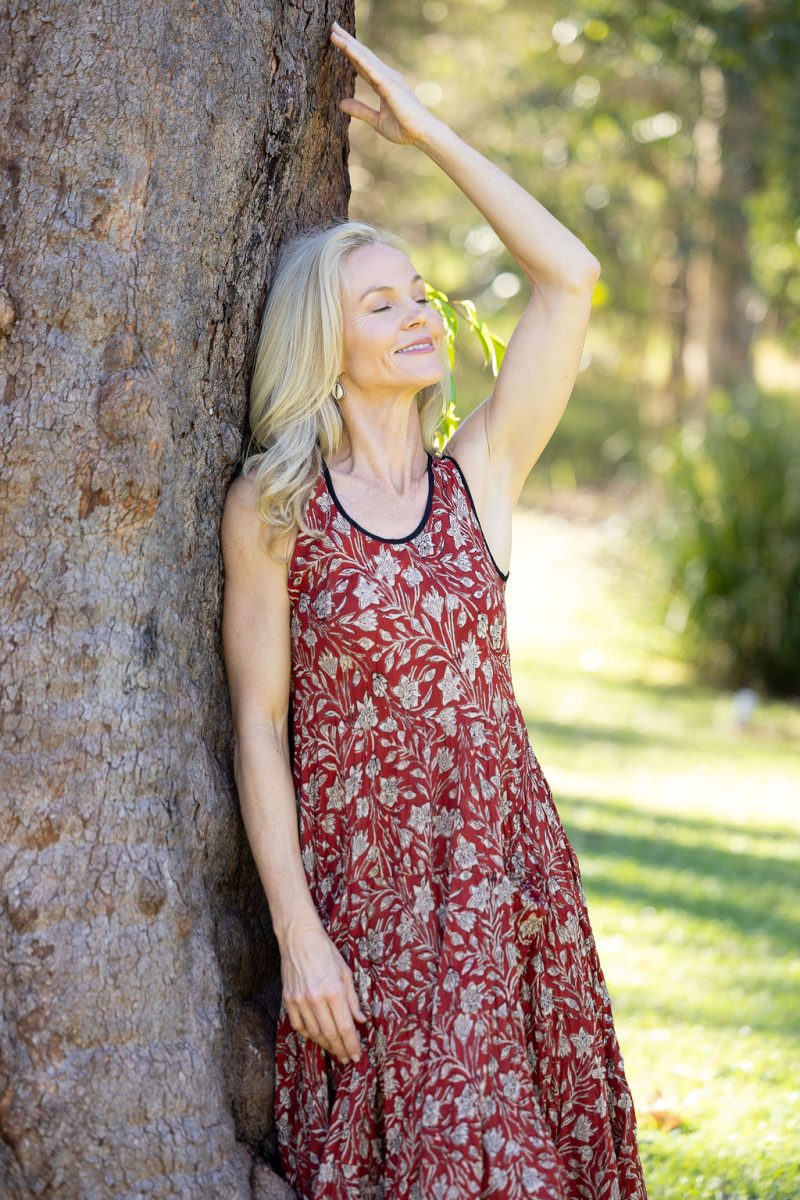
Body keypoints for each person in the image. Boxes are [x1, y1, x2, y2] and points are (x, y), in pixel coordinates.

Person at [220, 19, 648, 1200]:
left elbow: (567, 276)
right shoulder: (273, 507)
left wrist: (429, 132)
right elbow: (259, 725)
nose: (417, 316)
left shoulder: (482, 477)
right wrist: (298, 933)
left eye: (419, 294)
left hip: (503, 890)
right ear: (326, 341)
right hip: (363, 910)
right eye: (380, 306)